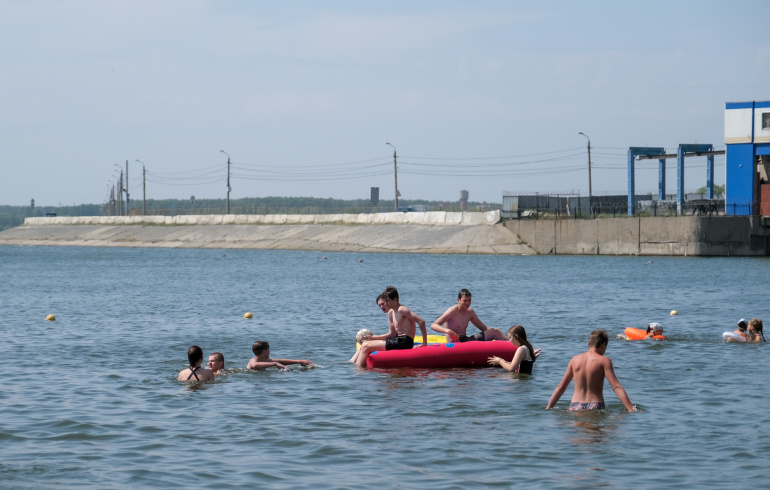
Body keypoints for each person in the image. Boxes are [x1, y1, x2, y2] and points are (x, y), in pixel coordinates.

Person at [546, 329, 635, 412]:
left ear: (588, 344)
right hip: (595, 405)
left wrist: (548, 408)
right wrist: (631, 409)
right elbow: (616, 387)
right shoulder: (604, 360)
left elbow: (561, 387)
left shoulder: (574, 360)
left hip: (575, 406)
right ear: (603, 345)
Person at [355, 287, 427, 369]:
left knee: (366, 346)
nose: (386, 304)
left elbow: (421, 321)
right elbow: (392, 334)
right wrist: (373, 338)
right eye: (385, 301)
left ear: (395, 299)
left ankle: (358, 371)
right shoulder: (392, 312)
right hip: (398, 340)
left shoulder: (402, 309)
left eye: (387, 301)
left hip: (405, 341)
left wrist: (424, 342)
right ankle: (357, 367)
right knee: (365, 344)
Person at [431, 288, 507, 342]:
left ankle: (514, 345)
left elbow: (483, 327)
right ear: (458, 300)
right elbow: (433, 325)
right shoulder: (452, 311)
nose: (467, 303)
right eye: (464, 301)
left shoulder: (470, 312)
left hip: (465, 340)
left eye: (469, 300)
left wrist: (497, 333)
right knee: (495, 331)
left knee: (496, 331)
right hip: (455, 343)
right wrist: (448, 331)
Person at [247, 341, 314, 370]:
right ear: (264, 352)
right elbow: (254, 365)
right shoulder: (253, 360)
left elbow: (281, 361)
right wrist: (275, 364)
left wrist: (300, 361)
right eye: (268, 350)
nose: (269, 351)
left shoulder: (265, 360)